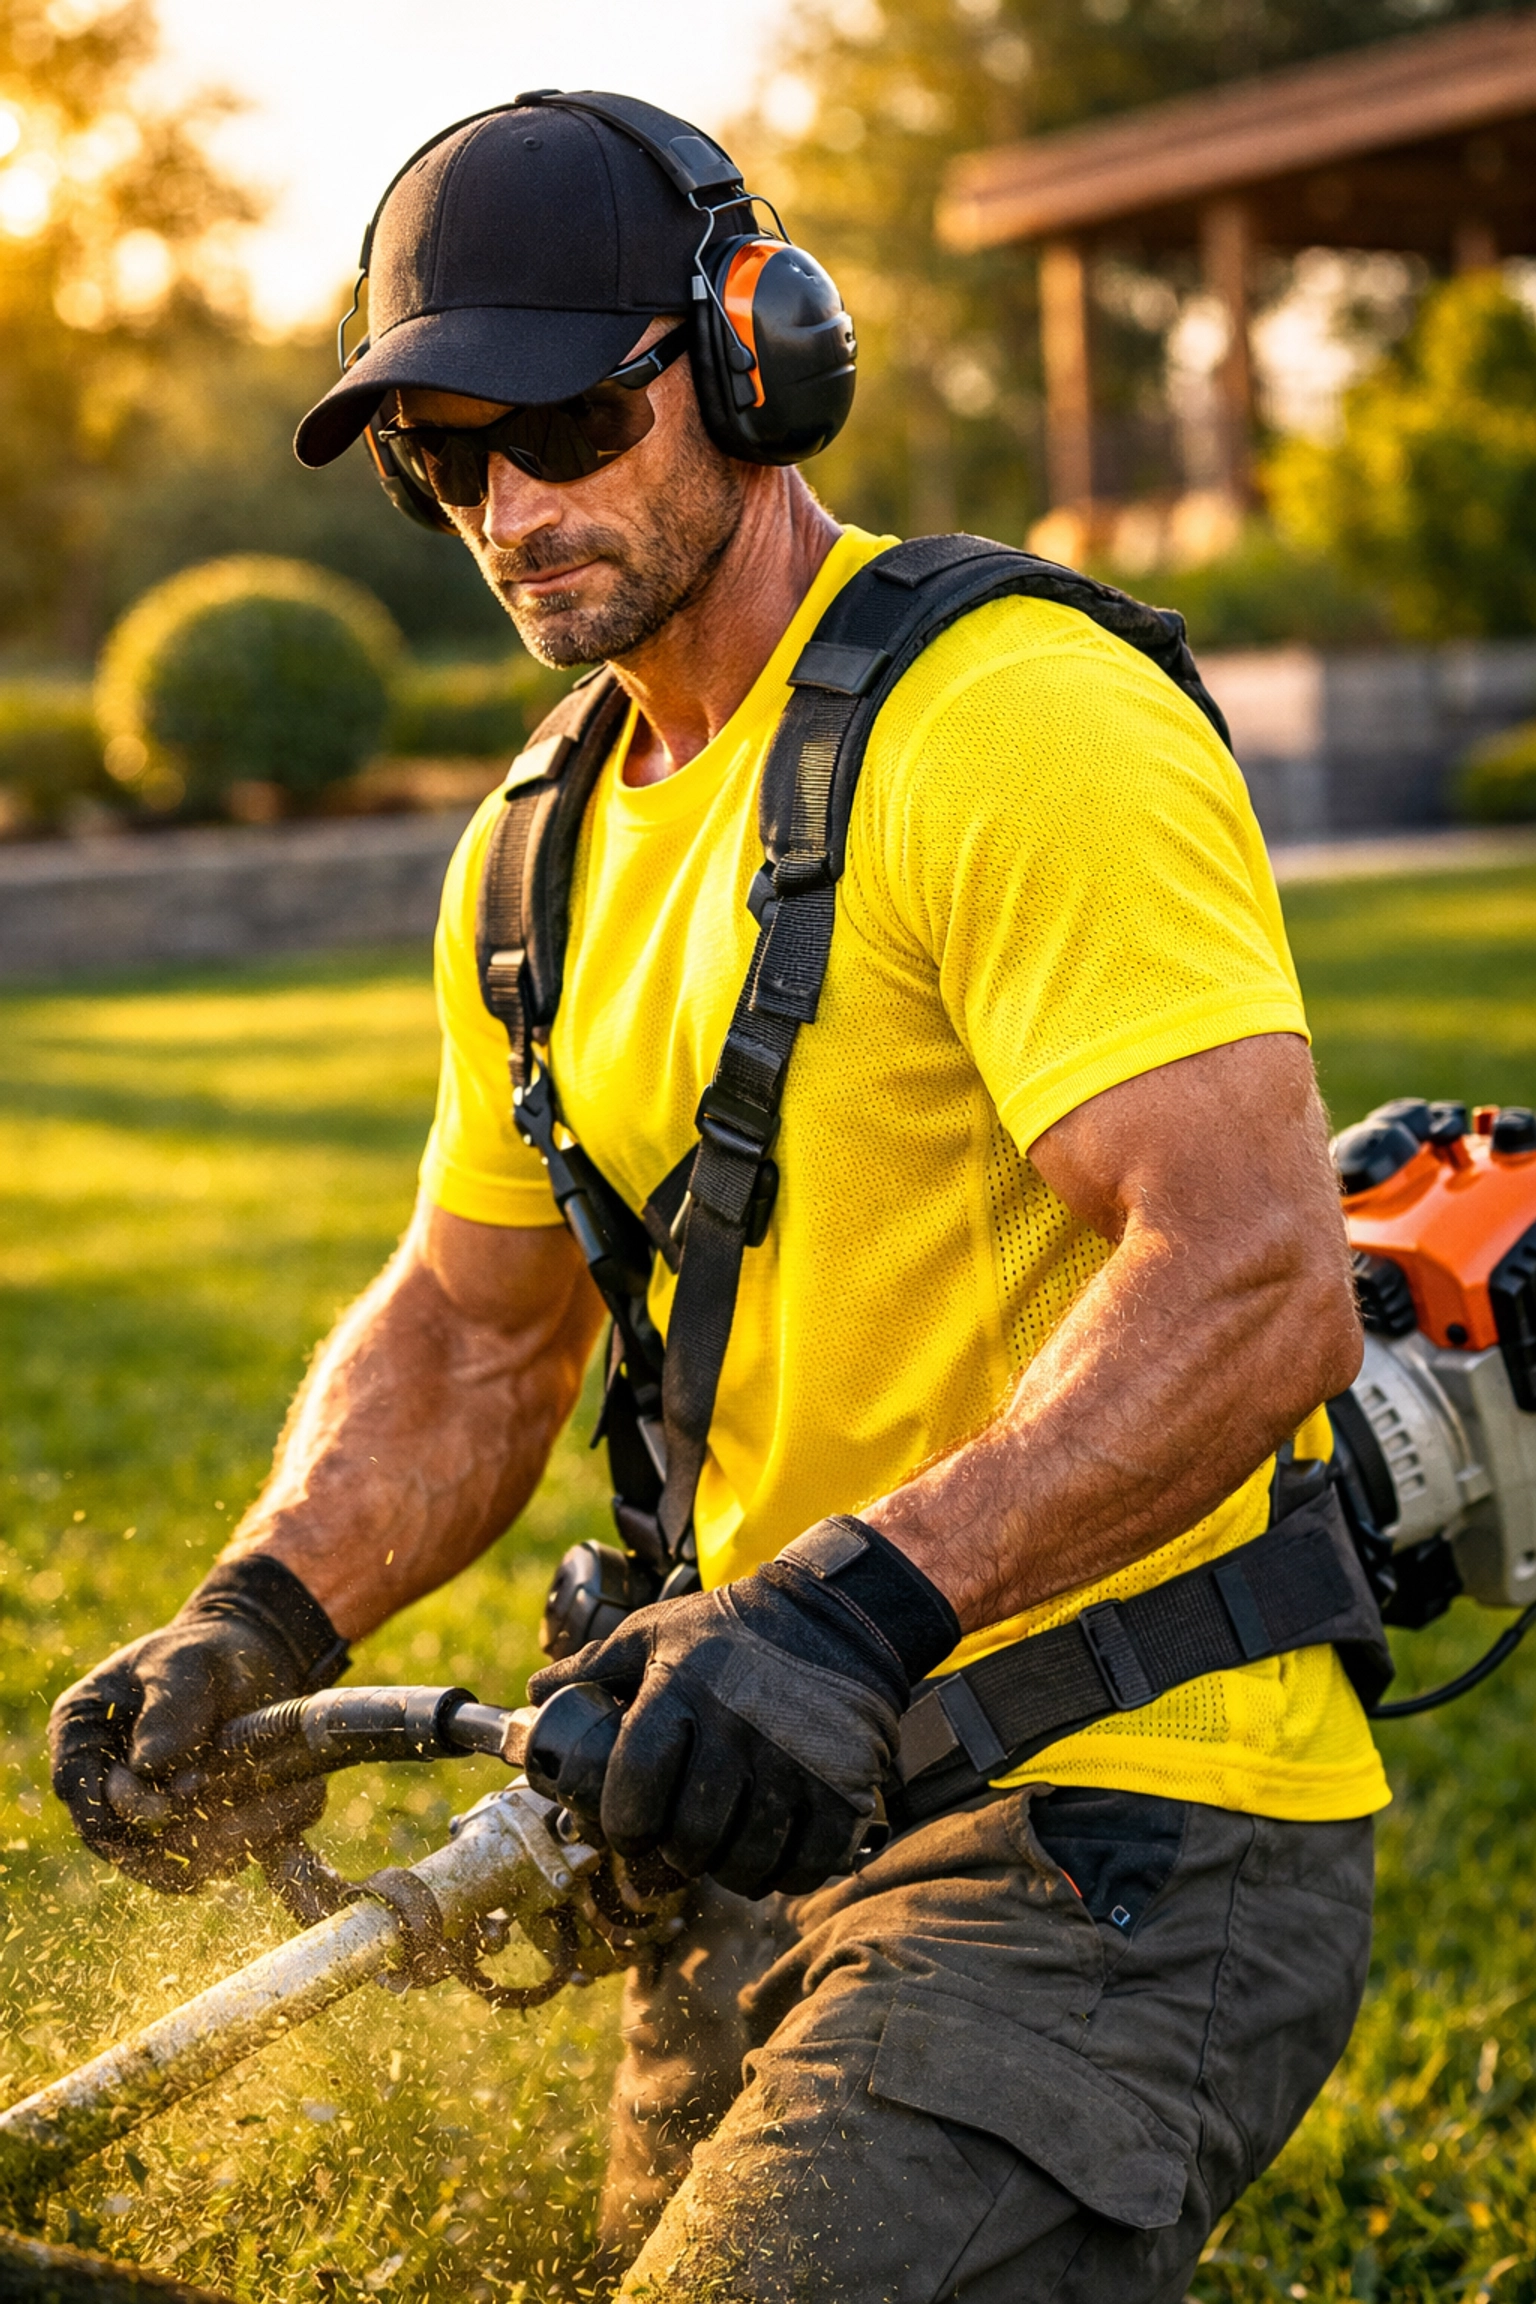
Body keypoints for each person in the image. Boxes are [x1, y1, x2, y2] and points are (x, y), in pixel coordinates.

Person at [50, 95, 1388, 2303]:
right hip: (750, 1818)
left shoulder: (1018, 720)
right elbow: (476, 1330)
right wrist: (258, 1620)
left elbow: (1255, 1278)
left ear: (761, 363)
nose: (513, 505)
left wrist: (843, 1617)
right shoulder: (538, 841)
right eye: (446, 458)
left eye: (566, 416)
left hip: (1122, 1824)